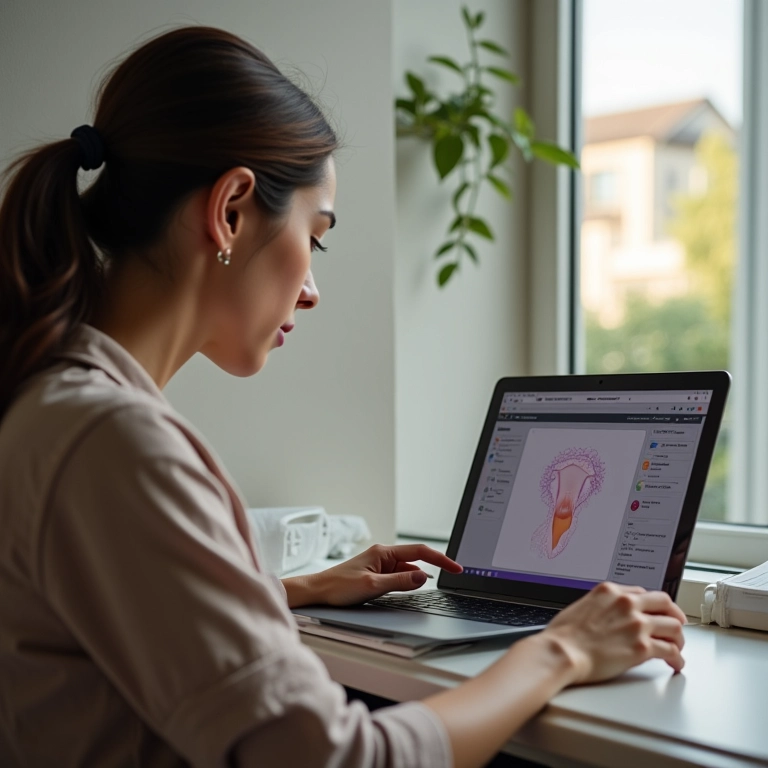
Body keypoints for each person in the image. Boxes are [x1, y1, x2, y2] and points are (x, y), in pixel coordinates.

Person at [0, 26, 687, 768]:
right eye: (315, 236)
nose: (312, 290)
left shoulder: (56, 406)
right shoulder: (109, 440)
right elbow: (339, 760)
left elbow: (127, 607)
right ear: (230, 210)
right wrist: (561, 650)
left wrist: (295, 588)